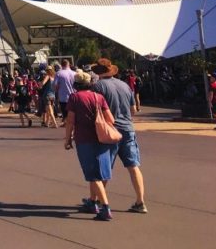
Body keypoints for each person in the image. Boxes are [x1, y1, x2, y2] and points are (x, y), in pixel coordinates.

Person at [92, 58, 147, 214]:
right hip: (128, 128)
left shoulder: (98, 86)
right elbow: (133, 110)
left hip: (110, 129)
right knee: (133, 166)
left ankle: (98, 200)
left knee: (105, 166)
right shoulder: (125, 85)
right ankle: (140, 200)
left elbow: (97, 110)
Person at [65, 70, 116, 221]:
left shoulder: (74, 97)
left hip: (84, 139)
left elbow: (70, 121)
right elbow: (111, 119)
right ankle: (92, 202)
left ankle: (105, 208)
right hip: (101, 139)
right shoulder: (98, 97)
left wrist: (67, 139)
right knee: (100, 172)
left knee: (93, 175)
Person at [54, 59, 76, 125]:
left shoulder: (58, 73)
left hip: (63, 97)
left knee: (65, 114)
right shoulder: (74, 73)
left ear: (61, 65)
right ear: (68, 65)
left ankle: (68, 128)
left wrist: (57, 91)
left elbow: (55, 86)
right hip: (74, 96)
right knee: (73, 114)